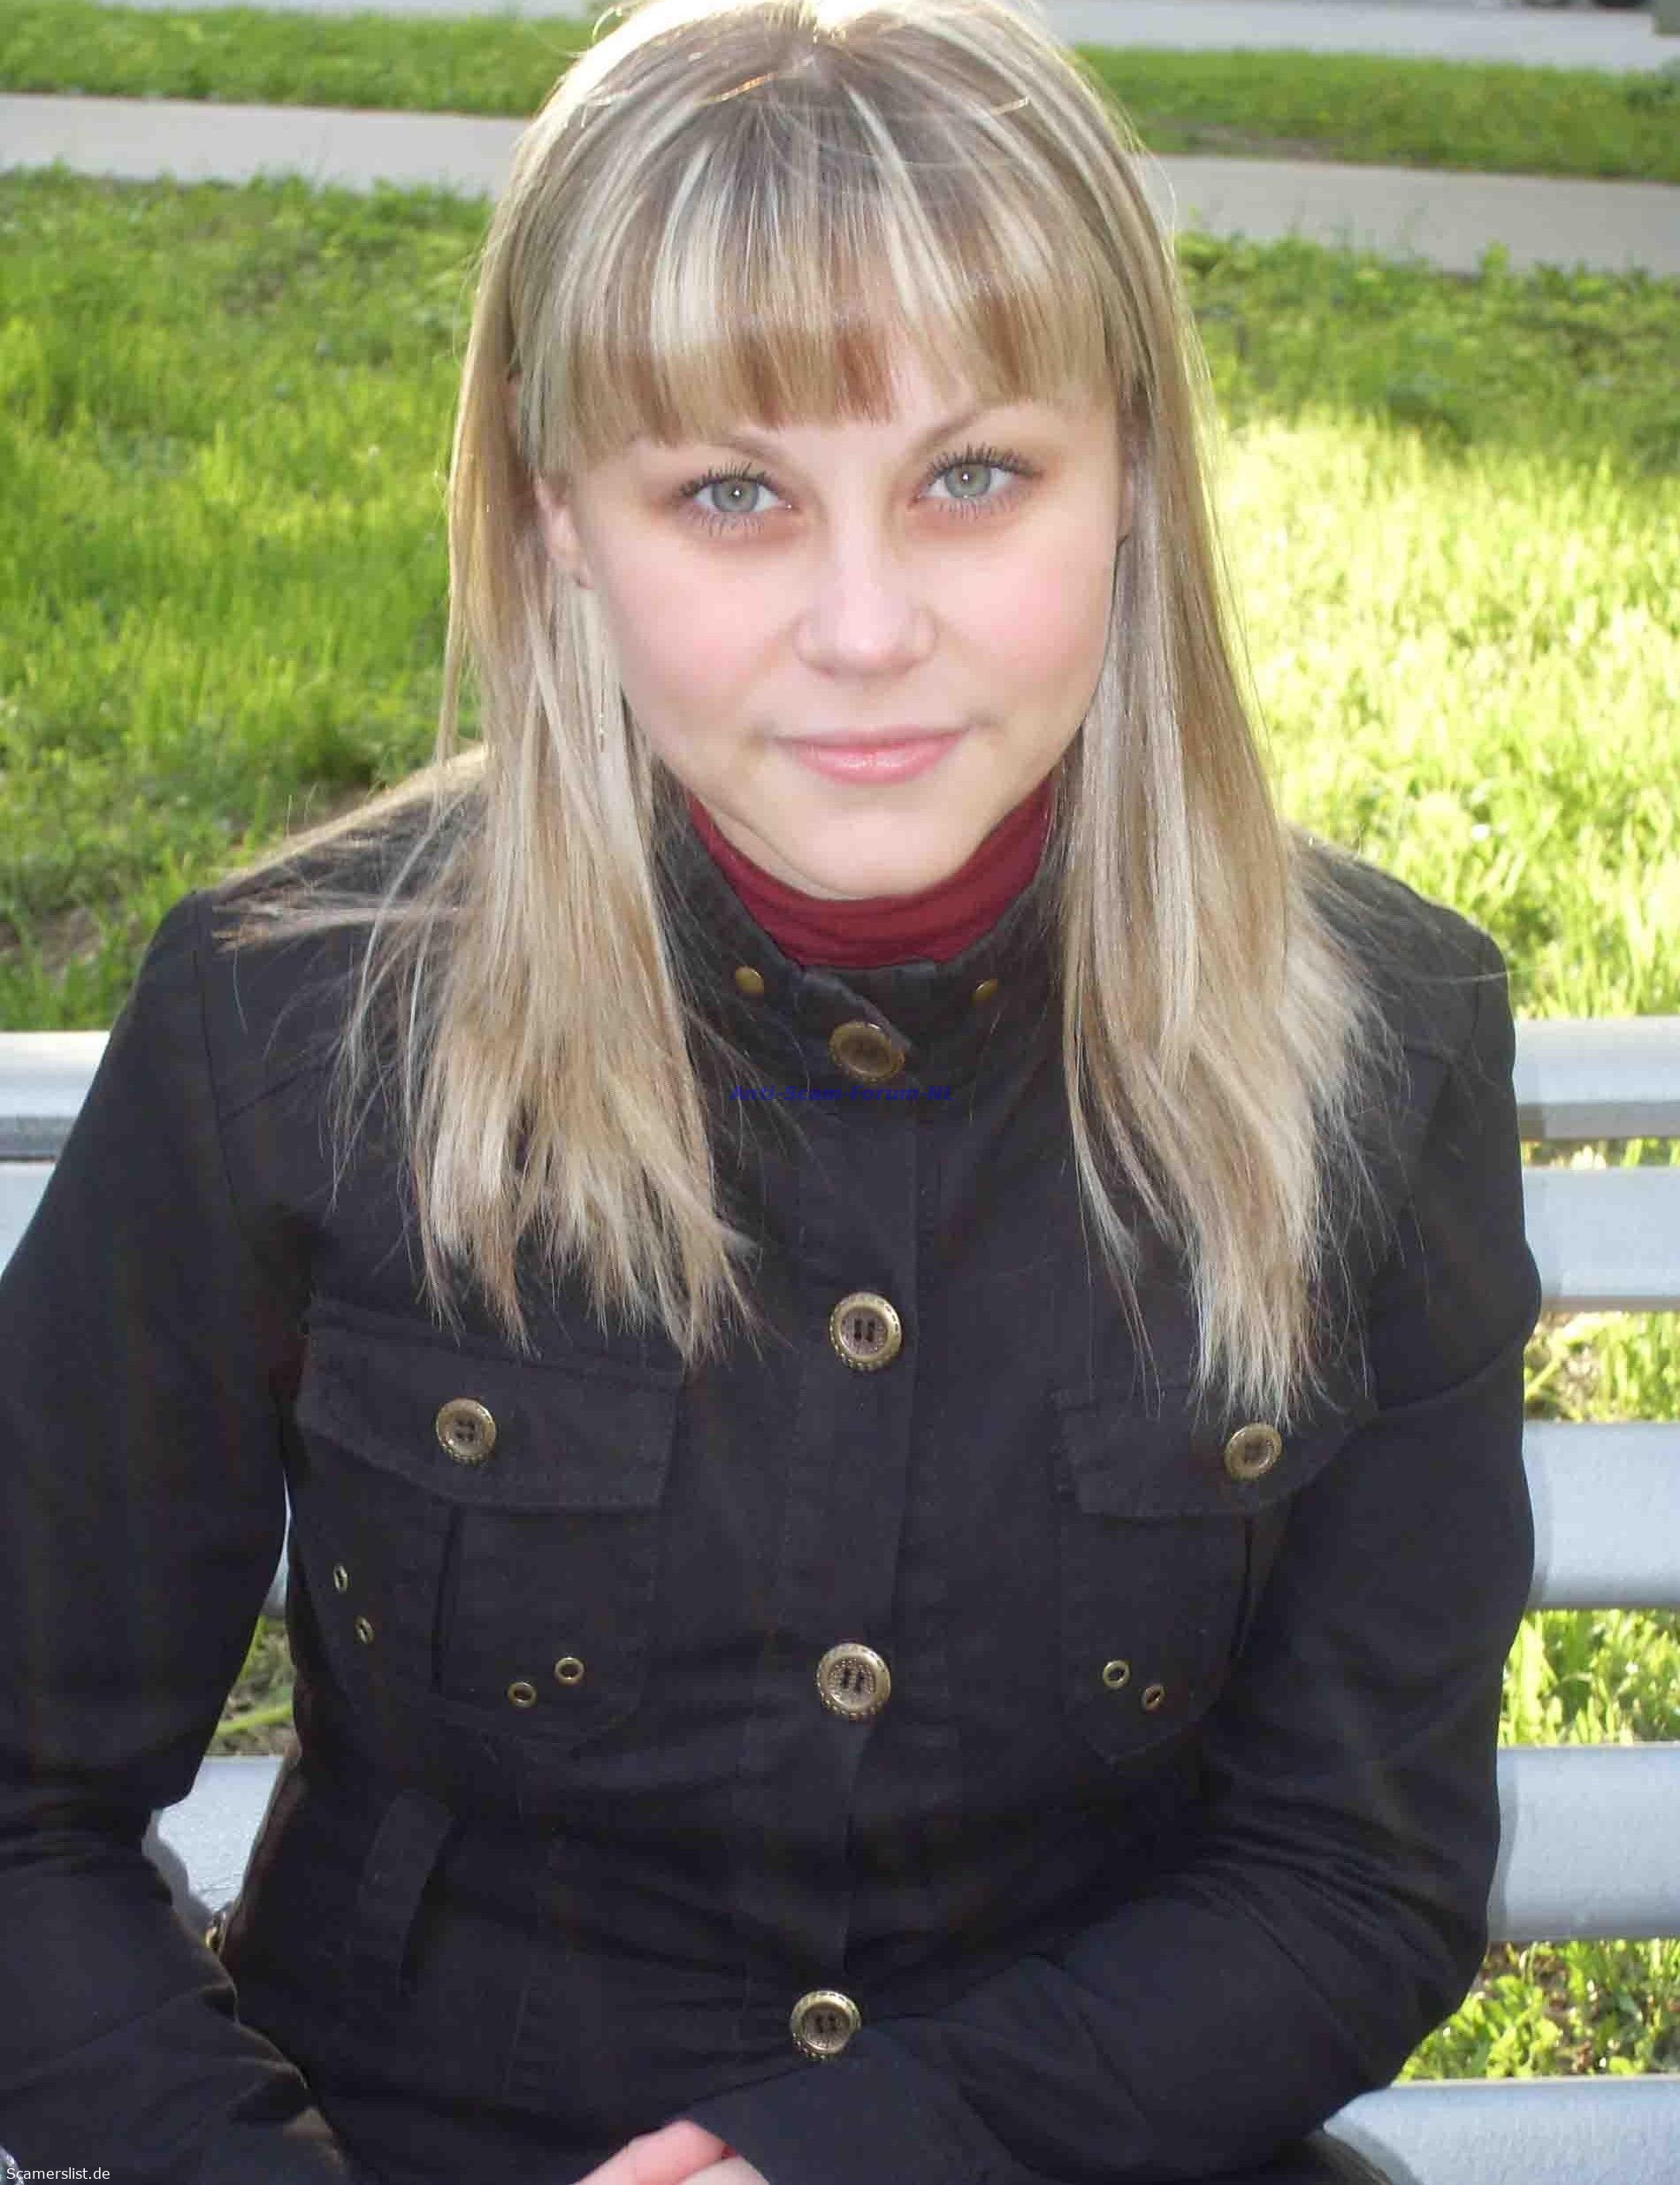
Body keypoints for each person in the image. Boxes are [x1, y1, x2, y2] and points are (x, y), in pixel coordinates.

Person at [0, 0, 1542, 2179]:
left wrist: (885, 2146)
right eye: (730, 494)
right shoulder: (290, 1026)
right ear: (559, 517)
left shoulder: (1375, 1038)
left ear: (1129, 476)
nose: (863, 625)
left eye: (970, 477)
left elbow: (1352, 1869)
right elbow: (20, 1811)